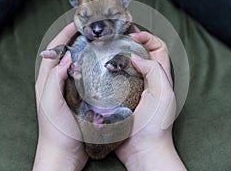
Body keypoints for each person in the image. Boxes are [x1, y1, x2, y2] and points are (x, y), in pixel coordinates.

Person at [33, 22, 187, 170]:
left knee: (123, 114)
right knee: (76, 83)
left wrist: (55, 150)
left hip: (117, 105)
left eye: (111, 18)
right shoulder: (82, 41)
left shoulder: (125, 42)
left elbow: (135, 65)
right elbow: (71, 54)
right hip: (85, 105)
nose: (98, 28)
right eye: (88, 18)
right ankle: (99, 124)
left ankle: (107, 123)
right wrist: (151, 149)